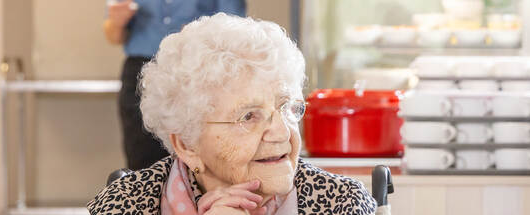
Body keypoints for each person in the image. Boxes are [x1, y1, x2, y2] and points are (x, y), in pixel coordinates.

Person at [87, 14, 377, 215]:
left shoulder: (341, 202)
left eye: (287, 108)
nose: (281, 133)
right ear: (187, 145)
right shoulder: (126, 203)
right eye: (249, 116)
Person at [103, 0, 247, 170]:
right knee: (141, 160)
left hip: (198, 71)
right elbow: (113, 35)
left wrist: (200, 35)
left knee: (198, 160)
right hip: (139, 74)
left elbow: (234, 31)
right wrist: (118, 22)